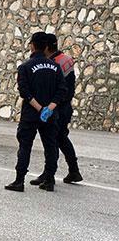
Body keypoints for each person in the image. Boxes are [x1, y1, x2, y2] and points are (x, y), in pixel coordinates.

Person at [5, 32, 67, 193]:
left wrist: (39, 108)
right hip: (51, 114)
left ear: (32, 45)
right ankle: (49, 180)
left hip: (31, 114)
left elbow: (24, 92)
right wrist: (49, 109)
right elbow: (62, 90)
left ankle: (19, 181)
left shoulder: (25, 67)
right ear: (46, 47)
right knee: (51, 146)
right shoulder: (56, 67)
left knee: (25, 146)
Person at [30, 34, 82, 185]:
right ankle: (73, 170)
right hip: (64, 106)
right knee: (61, 138)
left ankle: (50, 174)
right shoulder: (66, 60)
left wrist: (50, 106)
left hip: (57, 107)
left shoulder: (53, 63)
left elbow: (62, 89)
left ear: (45, 47)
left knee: (52, 140)